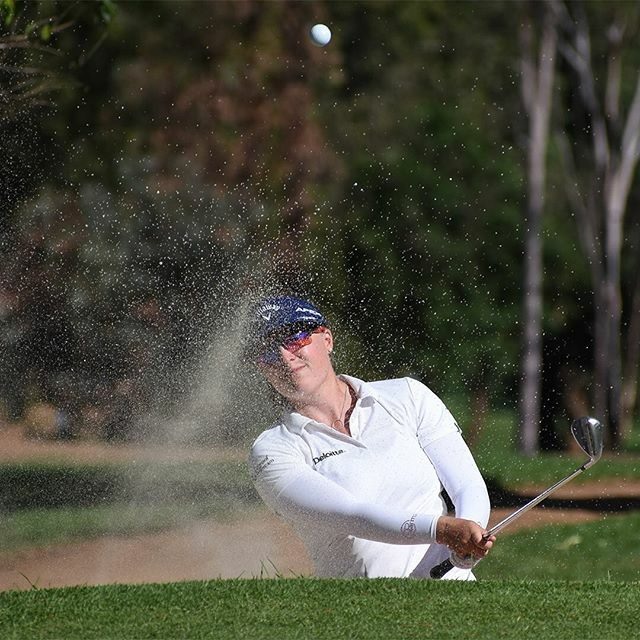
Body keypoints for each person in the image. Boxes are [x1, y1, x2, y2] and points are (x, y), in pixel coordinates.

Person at [247, 295, 495, 580]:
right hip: (362, 611)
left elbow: (466, 484)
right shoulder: (271, 451)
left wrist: (471, 532)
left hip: (455, 591)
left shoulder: (407, 395)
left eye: (295, 338)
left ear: (327, 339)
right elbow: (351, 515)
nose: (284, 356)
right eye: (266, 350)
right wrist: (444, 531)